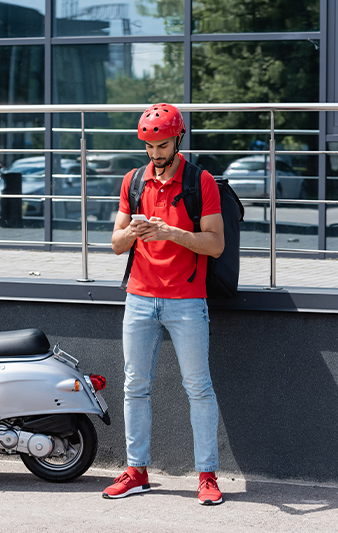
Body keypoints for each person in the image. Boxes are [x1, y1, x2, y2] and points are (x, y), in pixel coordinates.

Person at [102, 103, 225, 505]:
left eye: (162, 144)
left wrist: (172, 232)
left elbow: (216, 244)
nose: (155, 153)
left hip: (187, 301)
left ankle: (206, 476)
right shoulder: (133, 181)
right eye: (149, 146)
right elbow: (115, 244)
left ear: (178, 139)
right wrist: (134, 233)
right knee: (135, 386)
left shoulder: (199, 181)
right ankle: (136, 471)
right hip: (139, 299)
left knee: (198, 388)